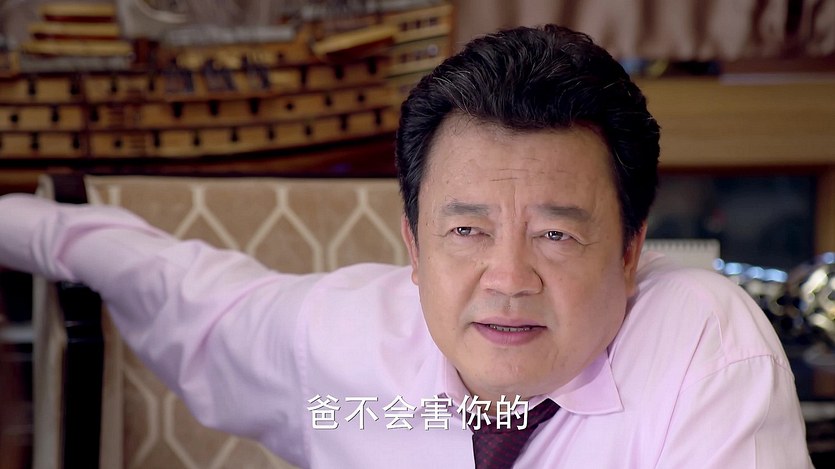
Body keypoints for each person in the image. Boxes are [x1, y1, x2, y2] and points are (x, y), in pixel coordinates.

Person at [0, 25, 812, 468]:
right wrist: (25, 227)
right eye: (466, 230)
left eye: (555, 233)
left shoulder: (702, 344)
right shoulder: (344, 338)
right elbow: (177, 286)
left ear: (631, 249)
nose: (508, 277)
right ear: (413, 248)